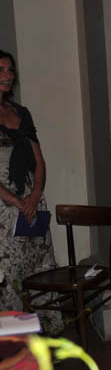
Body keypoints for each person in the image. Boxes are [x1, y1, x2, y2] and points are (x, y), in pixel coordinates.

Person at [0, 51, 63, 334]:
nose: (7, 75)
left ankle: (46, 337)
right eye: (1, 69)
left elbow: (39, 161)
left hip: (32, 201)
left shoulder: (21, 113)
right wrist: (16, 201)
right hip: (4, 206)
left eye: (10, 70)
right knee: (8, 276)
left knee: (38, 268)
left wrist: (35, 196)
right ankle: (14, 344)